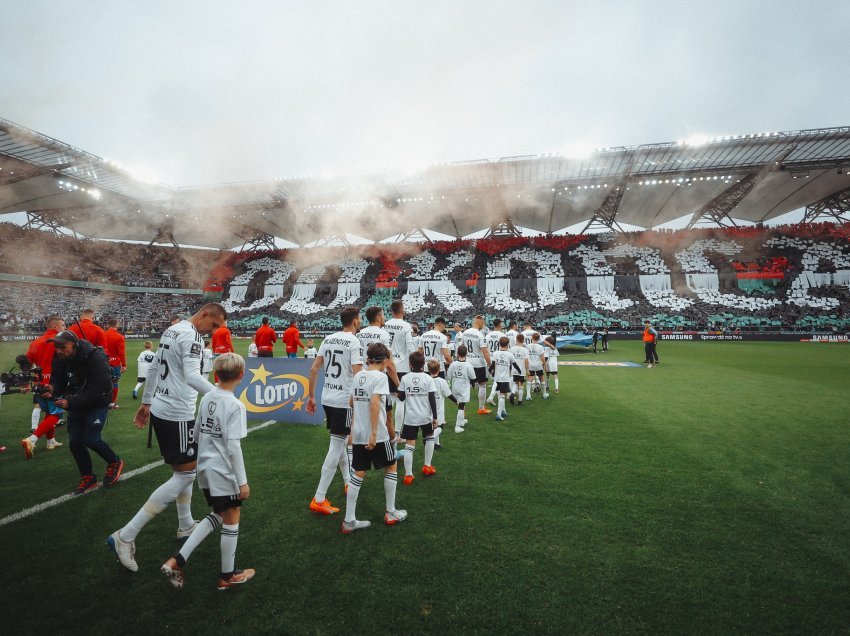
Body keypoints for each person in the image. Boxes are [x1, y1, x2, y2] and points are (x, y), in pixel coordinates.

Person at [107, 303, 227, 574]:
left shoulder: (173, 330)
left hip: (162, 408)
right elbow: (192, 376)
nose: (214, 331)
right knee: (185, 475)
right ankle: (125, 536)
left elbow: (154, 370)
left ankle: (185, 524)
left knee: (186, 470)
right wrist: (223, 397)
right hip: (178, 413)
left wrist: (147, 401)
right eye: (215, 325)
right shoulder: (193, 336)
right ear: (204, 315)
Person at [160, 353, 254, 590]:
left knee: (219, 514)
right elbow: (233, 447)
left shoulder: (208, 396)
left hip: (206, 467)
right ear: (241, 376)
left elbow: (197, 431)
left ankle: (177, 560)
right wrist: (242, 482)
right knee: (231, 518)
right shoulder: (235, 405)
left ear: (215, 374)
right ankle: (228, 575)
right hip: (223, 471)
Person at [43, 330, 123, 493]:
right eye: (56, 346)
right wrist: (52, 389)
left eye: (62, 346)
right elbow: (58, 380)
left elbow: (100, 388)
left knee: (91, 439)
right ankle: (88, 476)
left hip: (97, 401)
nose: (58, 350)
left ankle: (114, 462)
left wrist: (70, 401)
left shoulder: (95, 357)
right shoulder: (59, 357)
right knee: (75, 442)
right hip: (76, 402)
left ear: (73, 344)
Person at [341, 342, 407, 533]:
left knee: (359, 472)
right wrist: (374, 434)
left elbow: (351, 401)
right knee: (392, 465)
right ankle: (391, 511)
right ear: (385, 360)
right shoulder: (380, 377)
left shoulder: (359, 374)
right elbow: (375, 403)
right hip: (375, 435)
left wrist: (358, 427)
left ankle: (349, 520)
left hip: (360, 432)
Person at [306, 306, 363, 515]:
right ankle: (319, 497)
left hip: (327, 397)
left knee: (337, 442)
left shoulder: (328, 339)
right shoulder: (354, 341)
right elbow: (358, 373)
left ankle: (347, 481)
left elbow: (314, 369)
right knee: (336, 445)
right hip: (343, 400)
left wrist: (311, 397)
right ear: (355, 321)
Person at [21, 315, 66, 457]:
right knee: (56, 413)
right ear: (54, 326)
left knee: (48, 411)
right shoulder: (58, 342)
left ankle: (51, 441)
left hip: (39, 382)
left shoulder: (36, 342)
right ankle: (32, 439)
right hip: (55, 383)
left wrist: (25, 384)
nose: (65, 328)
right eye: (63, 325)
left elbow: (26, 364)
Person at [396, 351, 438, 485]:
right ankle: (427, 466)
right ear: (423, 365)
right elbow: (432, 399)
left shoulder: (405, 378)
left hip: (411, 417)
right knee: (429, 437)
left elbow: (401, 398)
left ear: (409, 364)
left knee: (409, 445)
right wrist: (435, 417)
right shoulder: (428, 378)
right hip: (425, 416)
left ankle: (408, 475)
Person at [383, 300, 417, 423]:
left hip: (387, 366)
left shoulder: (385, 324)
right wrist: (414, 363)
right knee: (400, 400)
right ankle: (397, 432)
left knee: (389, 399)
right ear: (402, 310)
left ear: (392, 311)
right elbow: (410, 347)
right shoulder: (406, 326)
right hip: (402, 367)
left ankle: (388, 429)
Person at [461, 315, 492, 415]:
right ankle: (481, 408)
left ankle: (462, 410)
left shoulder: (465, 333)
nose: (484, 325)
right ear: (480, 323)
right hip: (479, 363)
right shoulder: (480, 335)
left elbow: (461, 347)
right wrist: (490, 364)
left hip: (467, 362)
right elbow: (485, 352)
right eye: (483, 323)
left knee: (465, 386)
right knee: (482, 385)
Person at [489, 336, 522, 421]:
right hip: (505, 378)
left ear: (499, 344)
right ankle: (498, 414)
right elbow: (515, 365)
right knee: (502, 396)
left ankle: (503, 411)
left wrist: (490, 371)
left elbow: (492, 365)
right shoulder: (509, 354)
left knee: (501, 394)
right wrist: (520, 371)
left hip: (497, 378)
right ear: (508, 344)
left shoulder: (495, 353)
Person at [447, 344, 476, 433]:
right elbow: (473, 378)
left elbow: (449, 375)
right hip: (463, 388)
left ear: (457, 353)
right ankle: (458, 426)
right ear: (466, 354)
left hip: (455, 387)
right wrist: (473, 385)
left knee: (460, 405)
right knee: (461, 405)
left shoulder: (453, 364)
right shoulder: (468, 365)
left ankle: (462, 420)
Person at [427, 360, 455, 449]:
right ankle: (429, 439)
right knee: (440, 427)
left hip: (428, 409)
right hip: (438, 408)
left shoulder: (427, 380)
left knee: (434, 426)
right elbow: (448, 394)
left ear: (428, 369)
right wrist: (456, 401)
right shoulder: (442, 381)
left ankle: (437, 444)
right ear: (439, 369)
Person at [104, 319, 126, 409]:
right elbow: (121, 352)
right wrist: (124, 365)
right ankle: (112, 403)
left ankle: (103, 401)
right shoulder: (119, 337)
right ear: (117, 325)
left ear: (108, 325)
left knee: (103, 382)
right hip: (115, 362)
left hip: (103, 361)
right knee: (115, 382)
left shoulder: (102, 334)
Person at [484, 318, 505, 406]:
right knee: (498, 379)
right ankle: (491, 397)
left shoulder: (488, 335)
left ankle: (496, 395)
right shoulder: (502, 335)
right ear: (499, 324)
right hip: (499, 358)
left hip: (489, 359)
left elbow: (484, 348)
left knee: (495, 379)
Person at [509, 333, 530, 406]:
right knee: (521, 384)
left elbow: (510, 359)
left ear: (516, 340)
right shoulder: (525, 350)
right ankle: (520, 401)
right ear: (523, 340)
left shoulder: (512, 349)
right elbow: (526, 361)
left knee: (515, 382)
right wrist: (527, 370)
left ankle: (512, 393)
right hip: (522, 369)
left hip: (514, 369)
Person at [526, 333, 547, 399]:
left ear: (532, 338)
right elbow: (542, 357)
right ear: (539, 339)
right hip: (538, 365)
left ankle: (528, 395)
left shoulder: (527, 346)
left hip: (530, 365)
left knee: (529, 379)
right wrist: (544, 365)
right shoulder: (540, 347)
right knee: (541, 378)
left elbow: (526, 357)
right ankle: (544, 394)